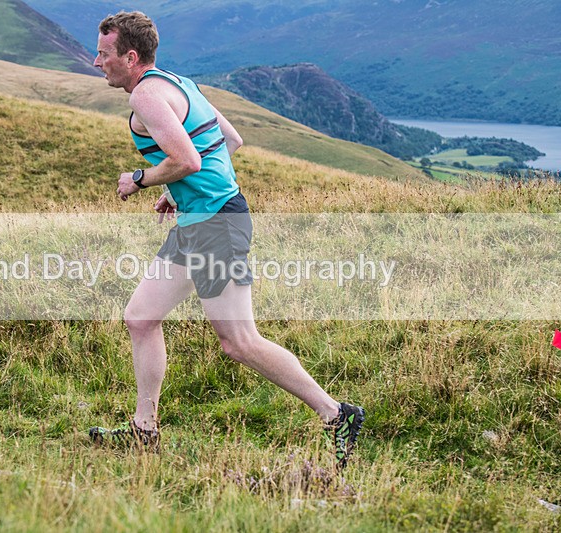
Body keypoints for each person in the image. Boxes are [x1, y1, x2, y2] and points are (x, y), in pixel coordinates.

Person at [88, 11, 364, 469]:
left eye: (103, 54)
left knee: (239, 340)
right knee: (140, 317)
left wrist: (140, 179)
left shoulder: (147, 98)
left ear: (129, 57)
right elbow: (229, 141)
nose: (97, 63)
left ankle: (337, 414)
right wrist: (181, 196)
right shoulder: (178, 83)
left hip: (217, 225)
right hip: (201, 220)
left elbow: (189, 160)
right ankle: (144, 431)